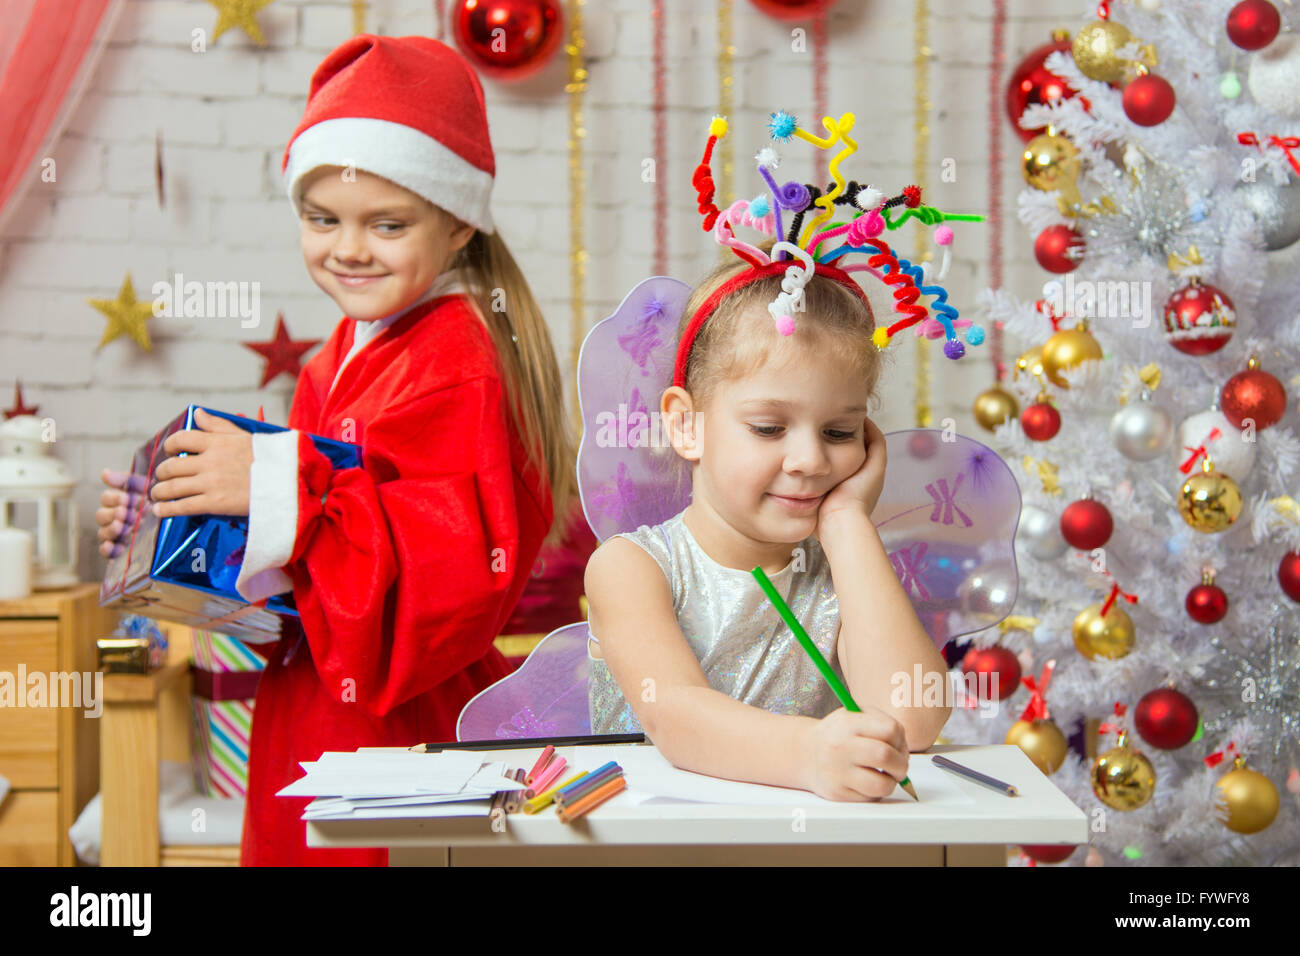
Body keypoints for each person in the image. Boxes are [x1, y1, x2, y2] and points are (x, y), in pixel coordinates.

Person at [95, 34, 574, 865]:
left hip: (390, 732)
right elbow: (301, 582)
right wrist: (171, 524)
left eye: (387, 224)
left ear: (460, 223)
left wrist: (276, 482)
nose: (348, 248)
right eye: (323, 220)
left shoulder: (458, 360)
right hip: (313, 713)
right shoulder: (342, 352)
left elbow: (448, 578)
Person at [583, 111, 985, 804]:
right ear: (687, 425)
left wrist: (849, 526)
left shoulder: (842, 574)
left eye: (839, 432)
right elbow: (677, 715)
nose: (809, 460)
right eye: (769, 428)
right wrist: (809, 754)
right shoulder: (633, 568)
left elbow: (916, 720)